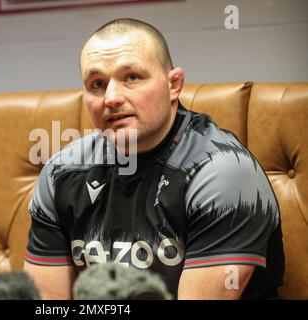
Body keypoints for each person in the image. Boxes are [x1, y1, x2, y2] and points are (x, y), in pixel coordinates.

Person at [23, 18, 284, 300]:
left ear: (174, 85)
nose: (111, 97)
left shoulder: (222, 171)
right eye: (97, 83)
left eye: (132, 77)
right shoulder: (62, 172)